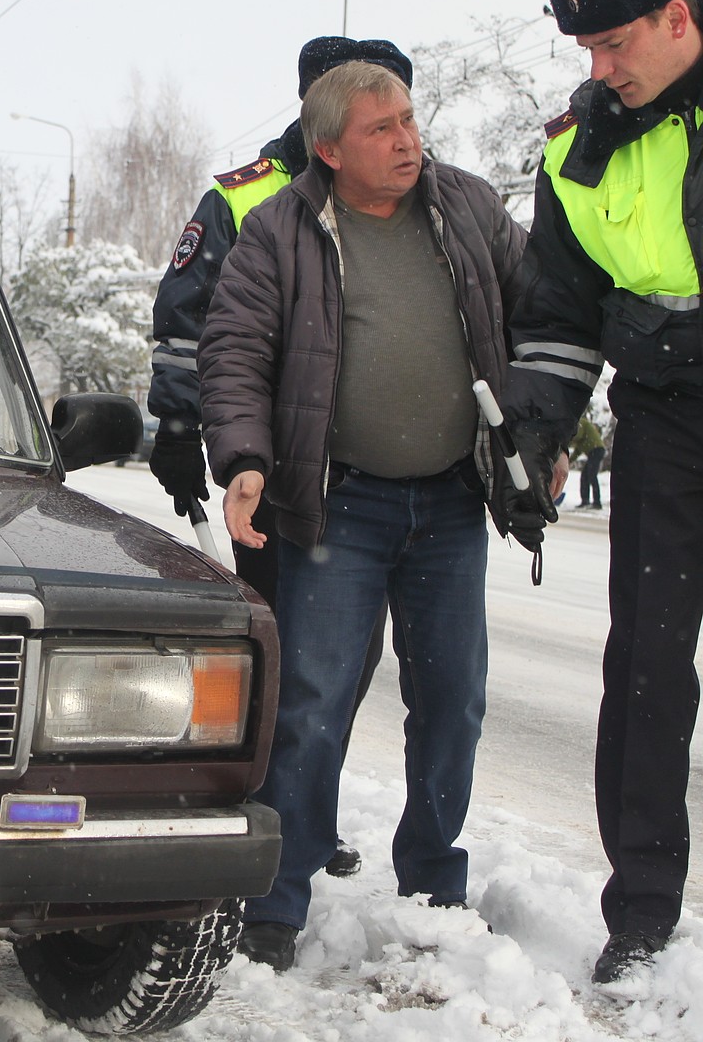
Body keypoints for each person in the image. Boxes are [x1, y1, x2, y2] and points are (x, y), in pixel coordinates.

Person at [198, 59, 530, 972]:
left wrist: (537, 429)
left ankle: (432, 883)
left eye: (410, 120)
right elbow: (233, 351)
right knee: (310, 701)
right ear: (329, 148)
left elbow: (537, 309)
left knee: (452, 699)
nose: (406, 140)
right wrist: (245, 460)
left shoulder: (465, 208)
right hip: (339, 502)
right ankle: (277, 898)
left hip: (455, 500)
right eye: (382, 128)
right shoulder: (279, 231)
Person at [148, 36, 413, 880]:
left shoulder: (400, 196)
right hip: (264, 468)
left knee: (343, 662)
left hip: (364, 479)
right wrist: (181, 427)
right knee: (276, 651)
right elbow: (187, 317)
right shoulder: (247, 197)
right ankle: (253, 810)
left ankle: (300, 814)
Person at [497, 0, 703, 986]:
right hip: (668, 415)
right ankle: (642, 911)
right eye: (586, 50)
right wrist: (535, 440)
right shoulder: (575, 150)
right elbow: (560, 318)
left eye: (615, 42)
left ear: (679, 17)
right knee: (649, 662)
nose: (600, 68)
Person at [570, 415, 606, 509]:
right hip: (593, 452)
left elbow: (578, 435)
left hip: (596, 449)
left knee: (592, 475)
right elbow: (577, 451)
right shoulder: (580, 440)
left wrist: (567, 438)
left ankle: (597, 503)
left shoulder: (581, 422)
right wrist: (569, 461)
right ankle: (585, 501)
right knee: (584, 476)